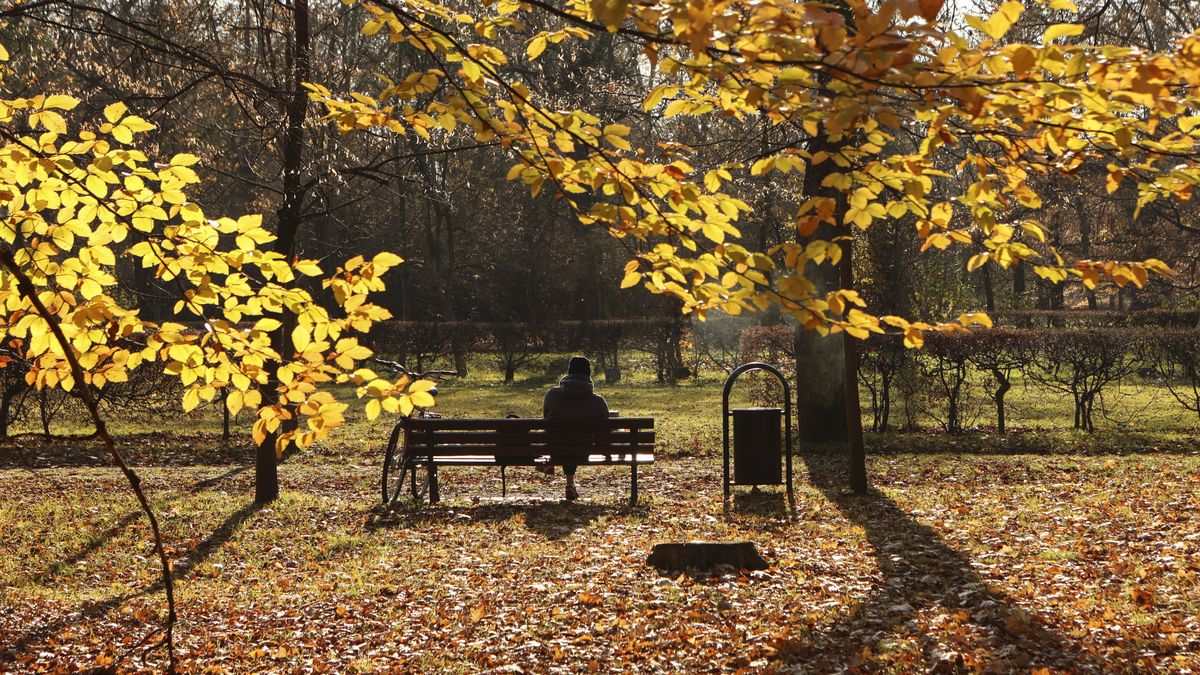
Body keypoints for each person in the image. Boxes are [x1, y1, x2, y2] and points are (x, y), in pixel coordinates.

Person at [543, 356, 609, 501]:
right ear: (588, 374)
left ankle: (567, 481)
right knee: (575, 442)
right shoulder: (597, 401)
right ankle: (570, 485)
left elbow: (546, 421)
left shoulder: (552, 395)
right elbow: (606, 431)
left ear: (569, 372)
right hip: (583, 450)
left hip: (556, 449)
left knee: (564, 440)